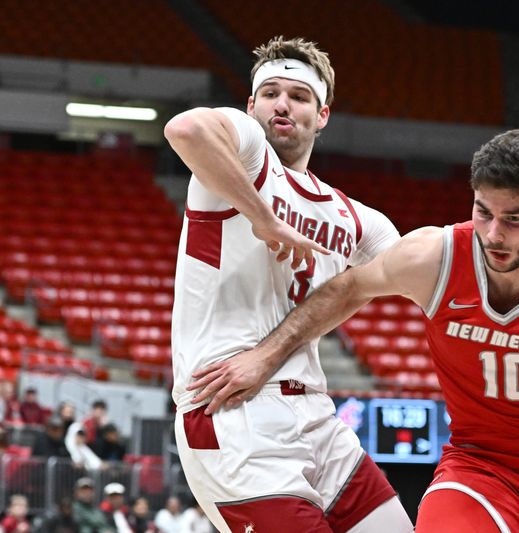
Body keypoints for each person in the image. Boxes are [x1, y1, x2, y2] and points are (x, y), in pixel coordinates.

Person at [189, 129, 519, 531]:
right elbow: (345, 289)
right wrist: (265, 355)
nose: (492, 233)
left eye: (514, 219)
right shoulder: (435, 256)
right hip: (478, 461)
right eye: (482, 211)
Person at [164, 35, 411, 532]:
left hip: (317, 416)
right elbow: (185, 128)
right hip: (232, 412)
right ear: (250, 105)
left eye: (299, 97)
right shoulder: (247, 154)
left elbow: (420, 278)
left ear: (322, 115)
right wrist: (264, 219)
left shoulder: (353, 217)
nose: (283, 104)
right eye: (271, 93)